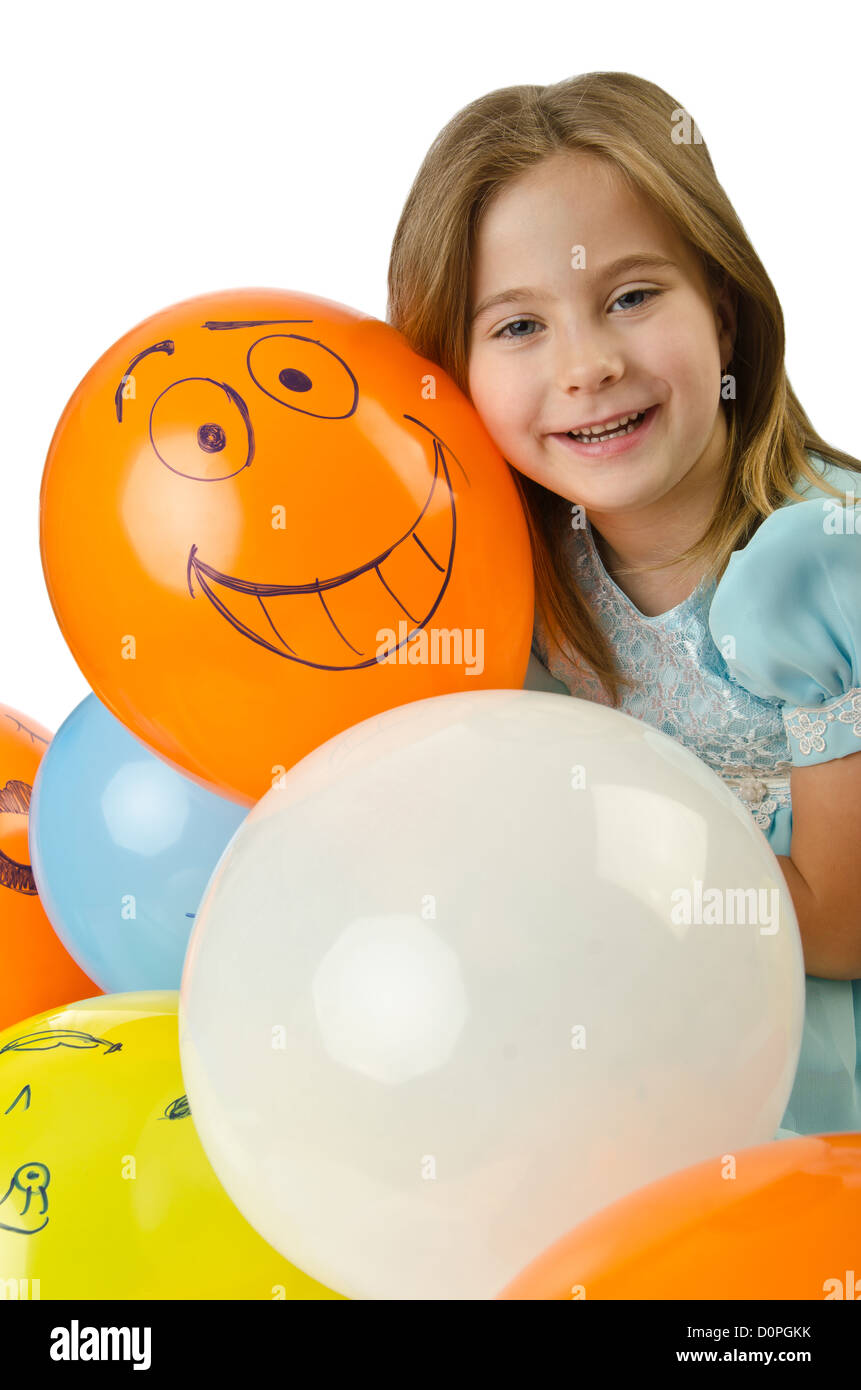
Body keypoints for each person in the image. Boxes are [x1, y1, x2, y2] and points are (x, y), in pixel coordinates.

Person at [386, 71, 861, 1139]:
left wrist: (576, 869)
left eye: (632, 298)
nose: (589, 365)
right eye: (517, 327)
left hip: (812, 1091)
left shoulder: (822, 565)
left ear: (725, 318)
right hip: (630, 1071)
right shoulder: (526, 588)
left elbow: (842, 922)